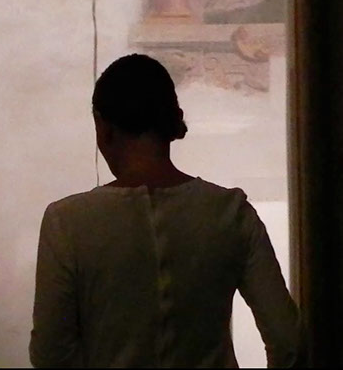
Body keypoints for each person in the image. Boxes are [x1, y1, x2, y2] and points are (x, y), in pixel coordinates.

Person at [29, 54, 304, 368]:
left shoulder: (66, 223)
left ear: (103, 128)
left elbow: (50, 355)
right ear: (171, 121)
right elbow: (287, 341)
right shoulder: (231, 213)